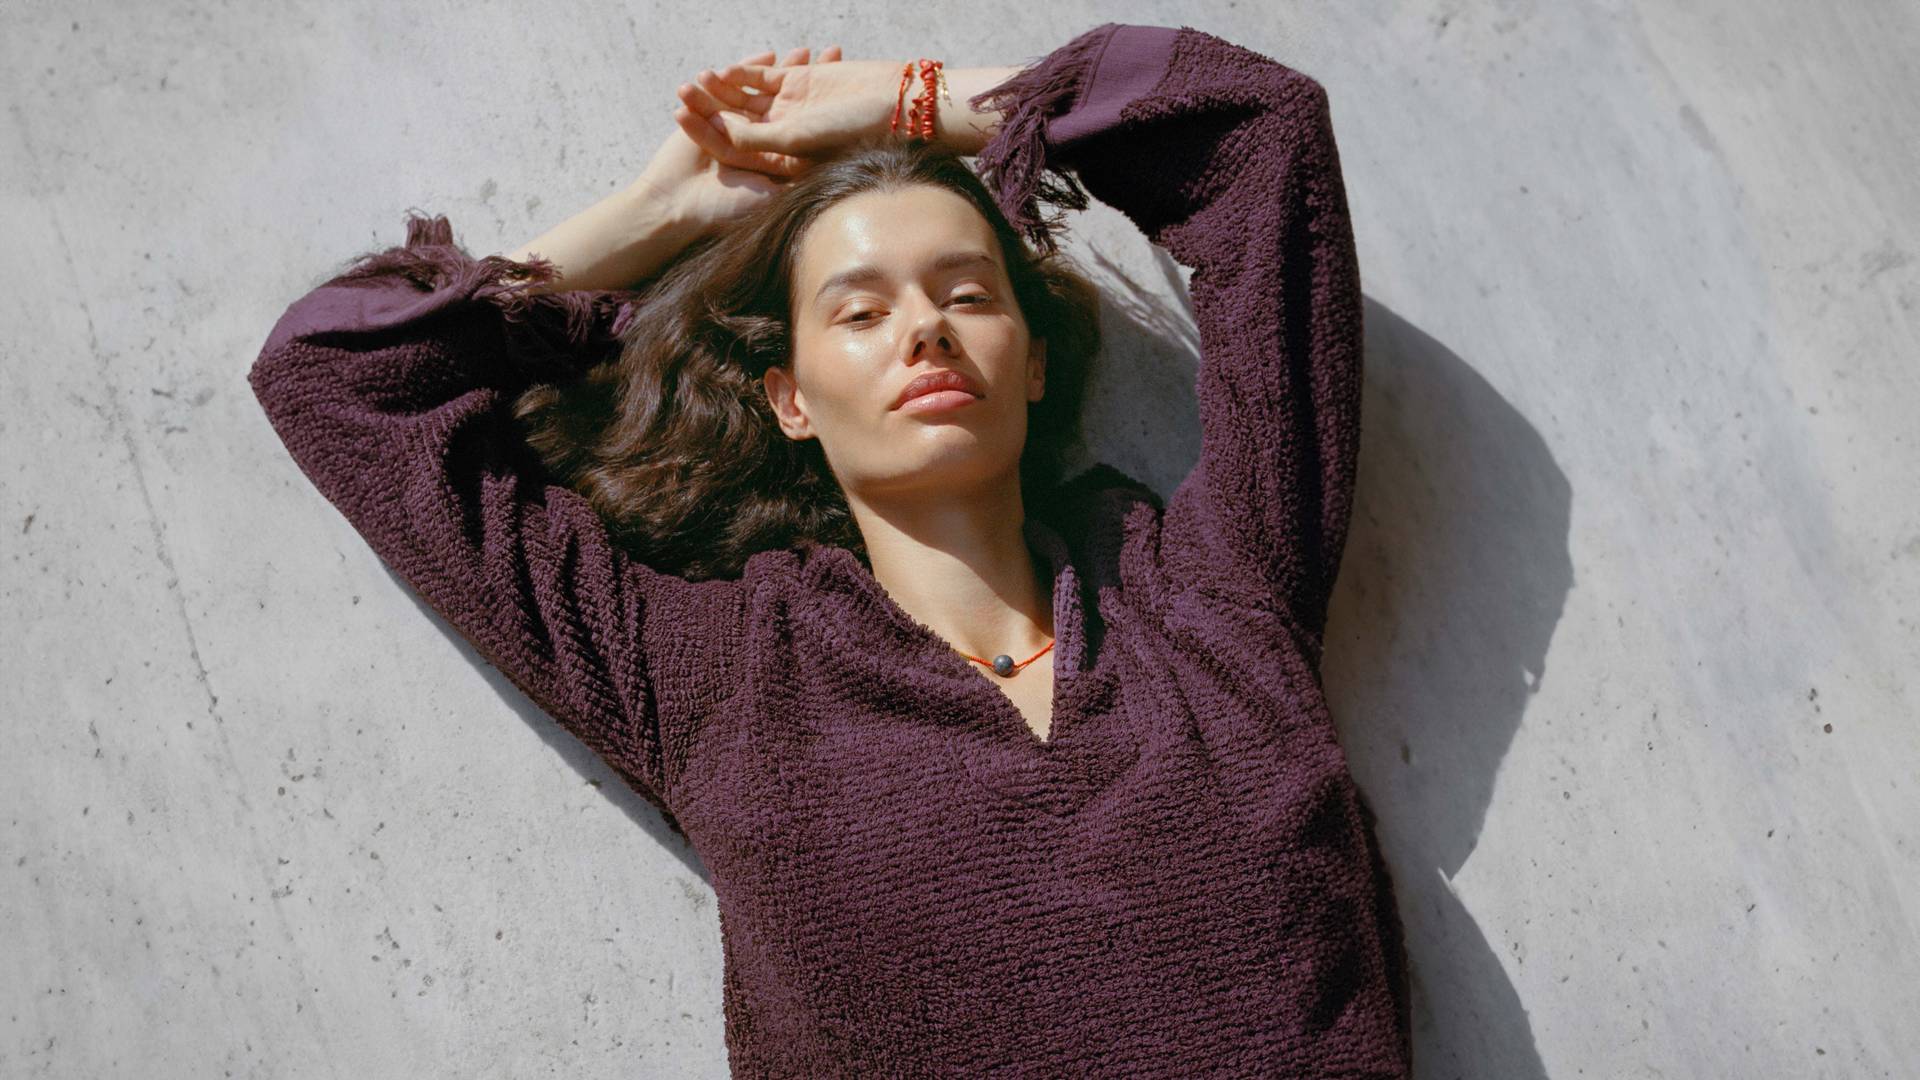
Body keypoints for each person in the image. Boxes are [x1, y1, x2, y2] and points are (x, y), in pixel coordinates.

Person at [249, 21, 1412, 1077]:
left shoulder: (1213, 585)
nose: (925, 327)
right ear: (790, 399)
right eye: (859, 312)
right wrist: (660, 215)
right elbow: (335, 378)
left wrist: (902, 105)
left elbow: (1262, 135)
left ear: (1037, 360)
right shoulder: (710, 670)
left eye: (969, 292)